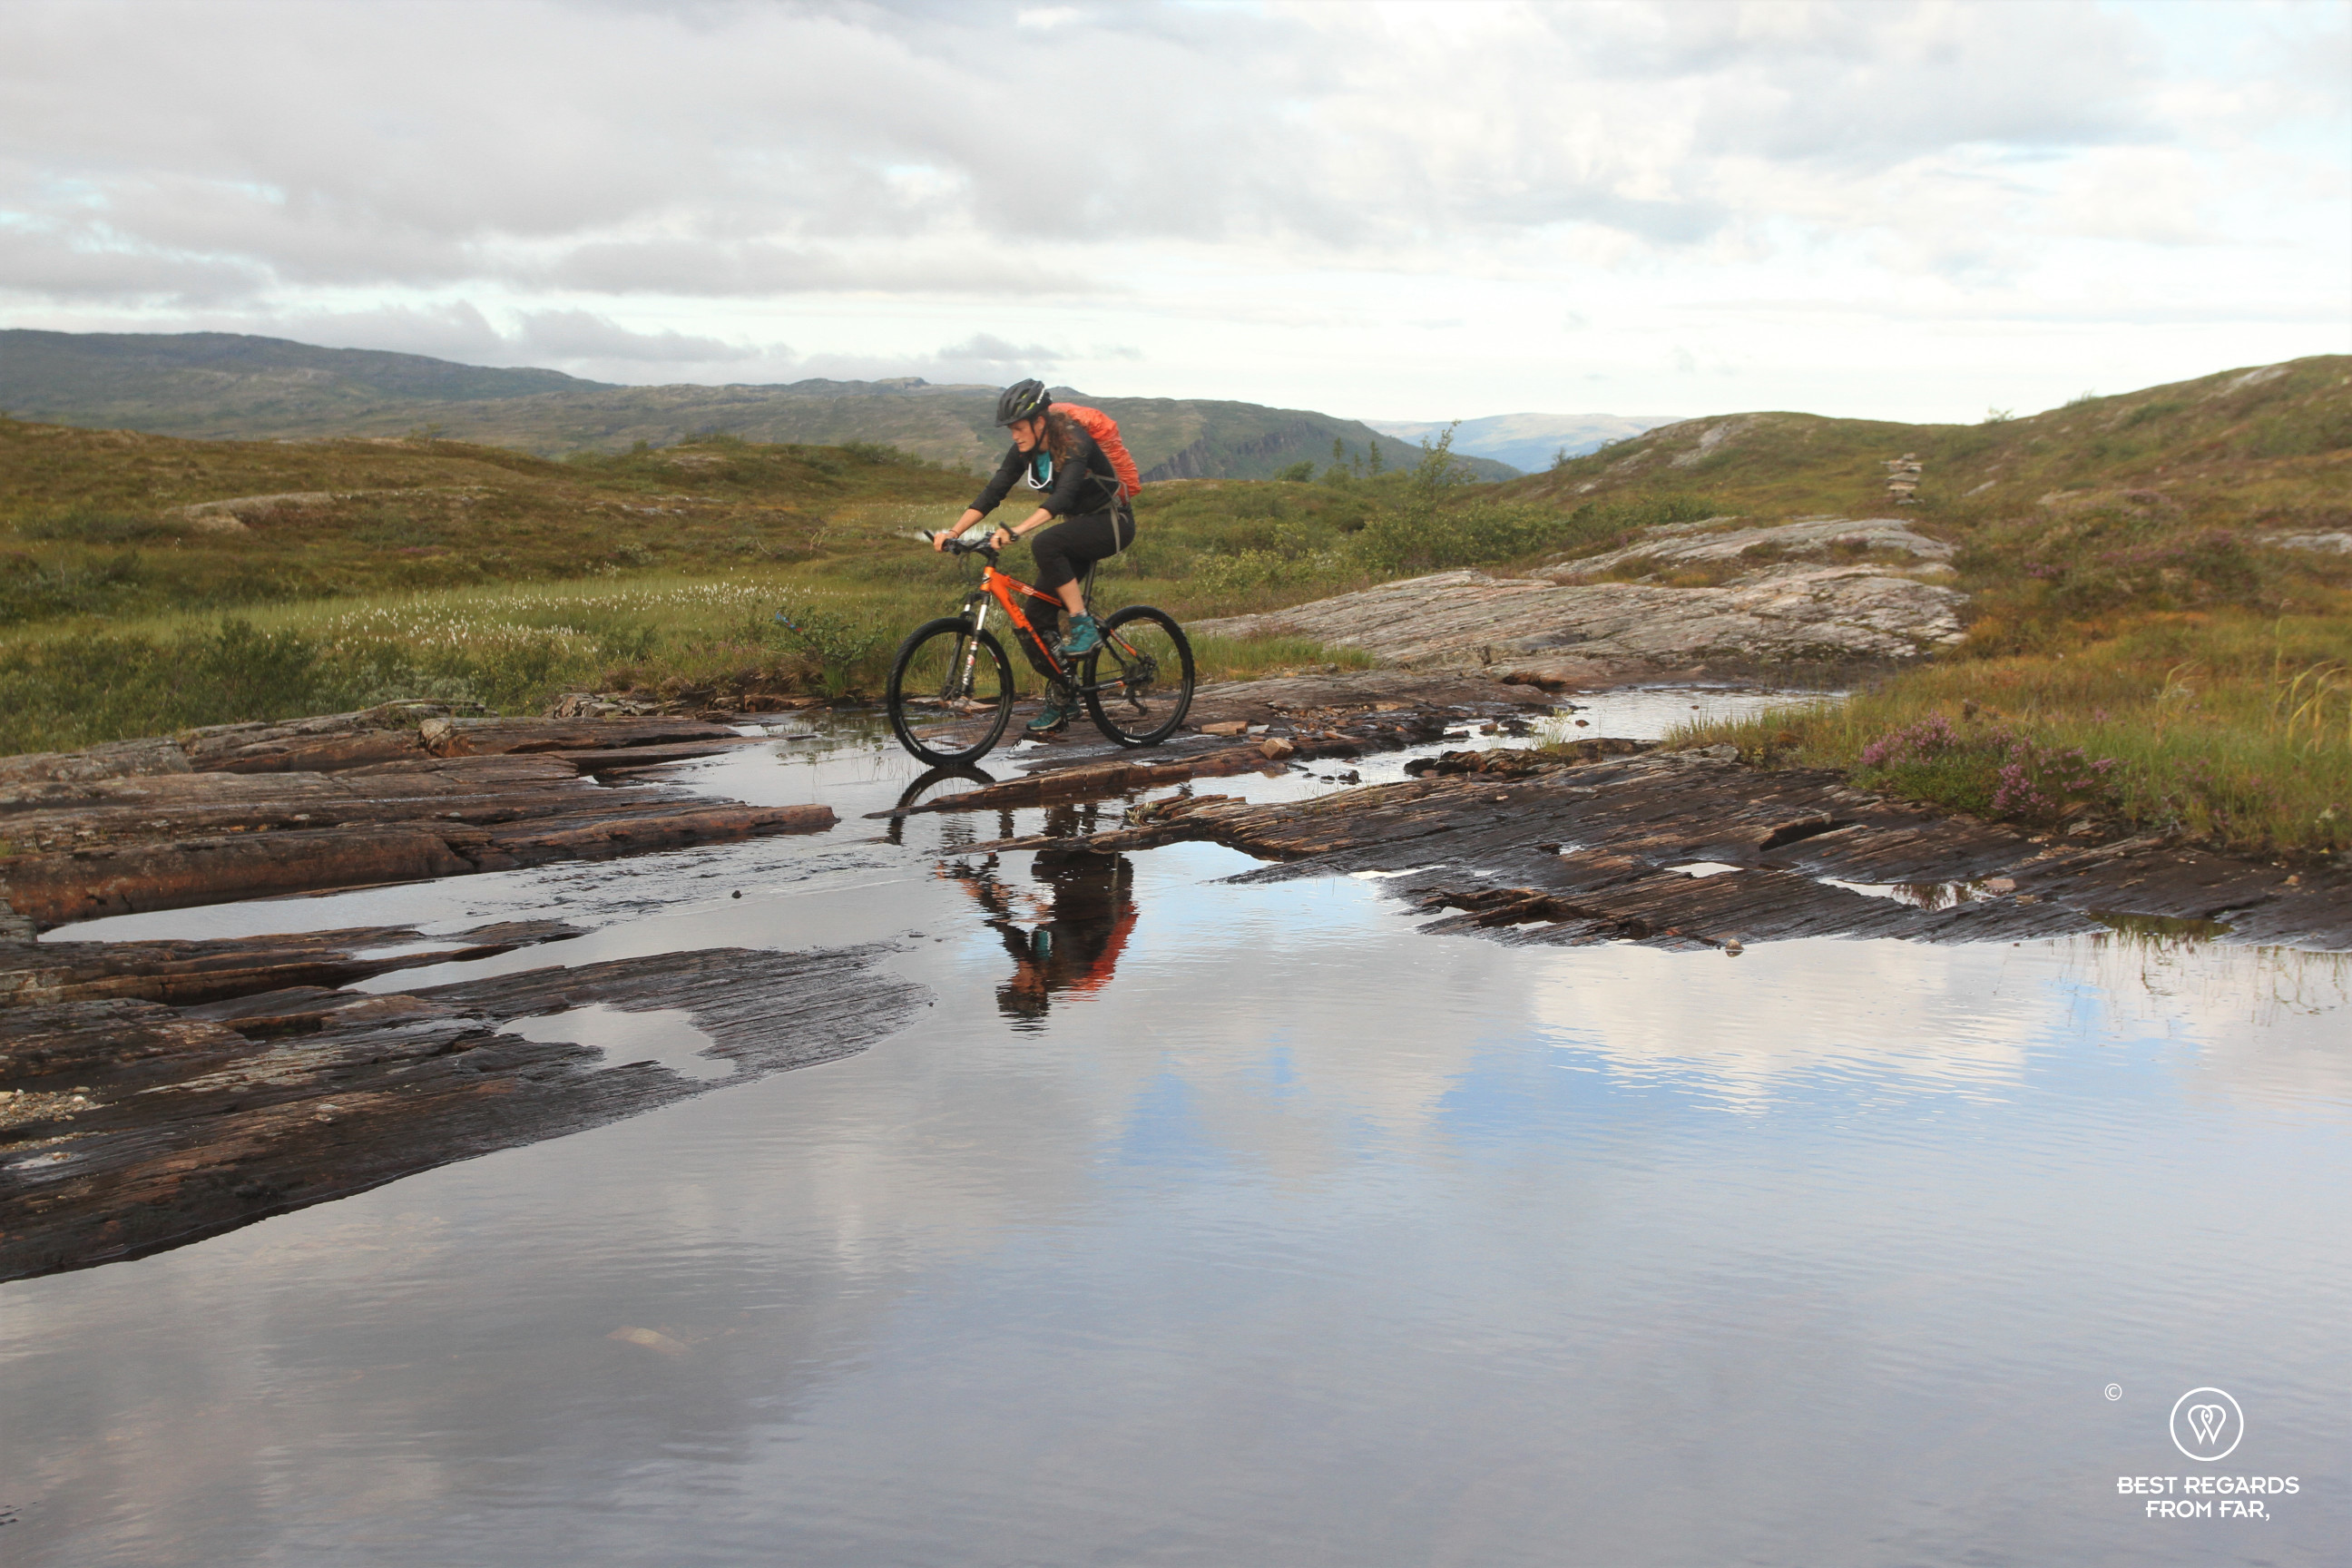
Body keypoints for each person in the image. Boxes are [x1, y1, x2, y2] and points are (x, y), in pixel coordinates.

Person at [936, 377, 1135, 733]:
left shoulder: (1075, 440)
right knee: (1036, 617)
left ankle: (1082, 625)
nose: (1013, 435)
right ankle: (1065, 697)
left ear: (1039, 421)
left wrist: (1018, 530)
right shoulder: (1025, 449)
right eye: (1010, 429)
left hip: (1111, 522)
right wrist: (953, 532)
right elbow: (993, 490)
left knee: (1045, 543)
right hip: (1079, 526)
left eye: (1017, 427)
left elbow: (1061, 499)